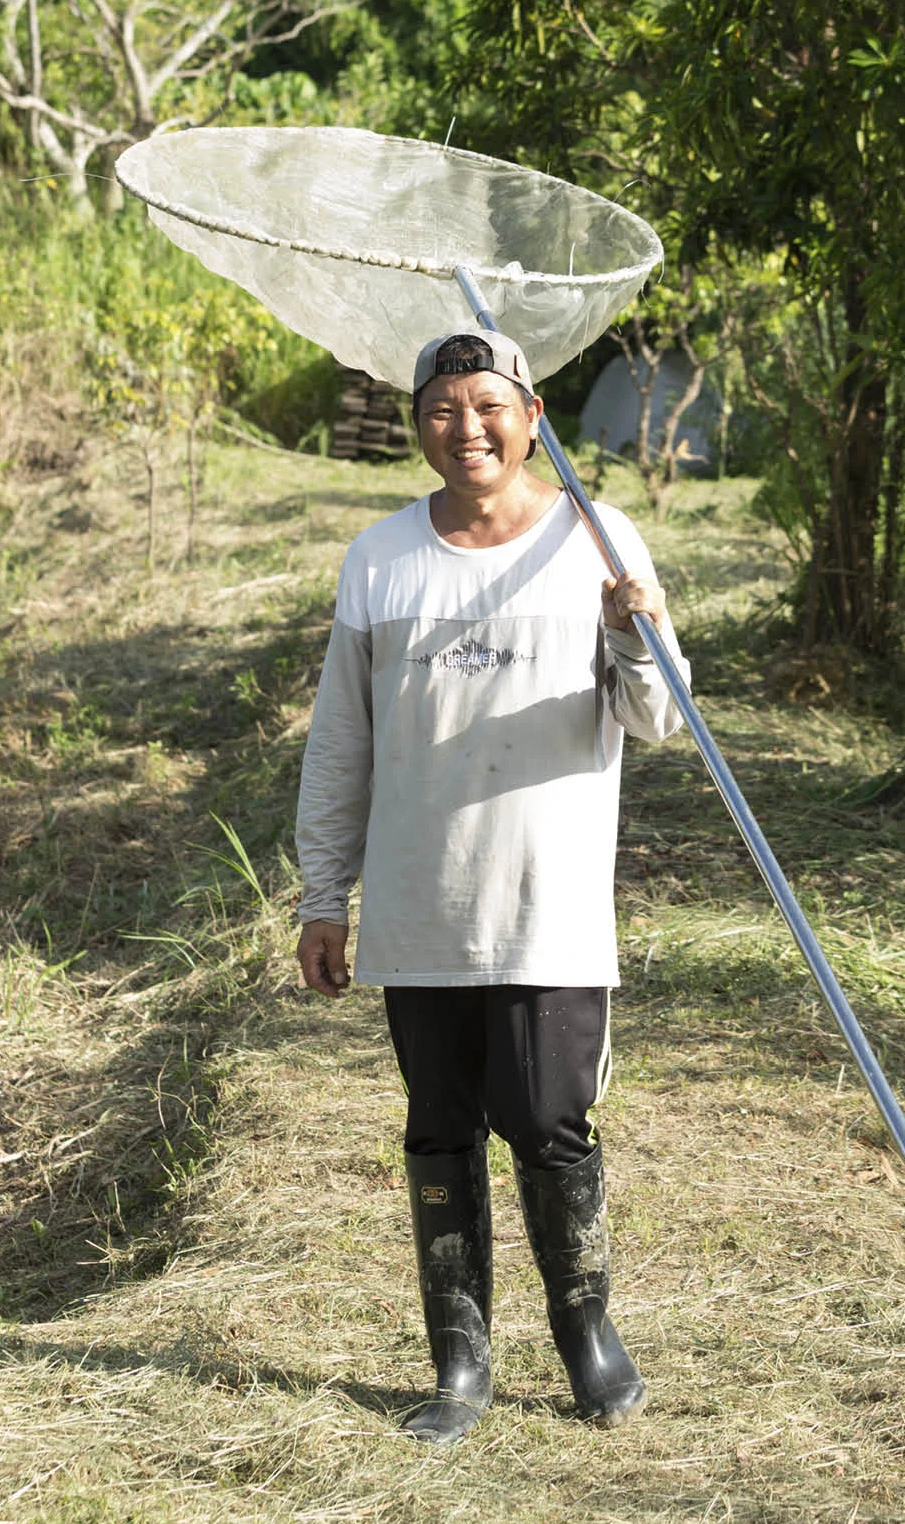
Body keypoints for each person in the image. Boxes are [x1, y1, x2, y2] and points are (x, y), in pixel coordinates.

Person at [294, 327, 689, 1445]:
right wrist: (325, 893)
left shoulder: (598, 540)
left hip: (548, 909)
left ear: (533, 416)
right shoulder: (378, 559)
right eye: (438, 407)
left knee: (549, 1120)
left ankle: (587, 1339)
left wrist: (635, 630)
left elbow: (658, 722)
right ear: (415, 421)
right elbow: (340, 745)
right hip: (421, 909)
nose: (462, 426)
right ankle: (457, 1361)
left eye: (486, 405)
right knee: (437, 1128)